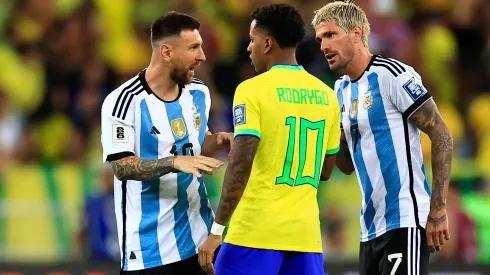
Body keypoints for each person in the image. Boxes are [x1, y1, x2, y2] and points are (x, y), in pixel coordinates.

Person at [311, 1, 453, 275]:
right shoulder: (340, 90)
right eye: (319, 39)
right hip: (369, 229)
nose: (323, 46)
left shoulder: (392, 75)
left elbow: (441, 134)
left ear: (355, 34)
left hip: (404, 219)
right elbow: (346, 165)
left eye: (330, 35)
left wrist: (438, 209)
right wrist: (334, 136)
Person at [198, 4, 340, 275]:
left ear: (267, 43)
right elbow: (324, 170)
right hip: (305, 237)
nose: (249, 48)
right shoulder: (327, 95)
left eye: (252, 40)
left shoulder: (252, 90)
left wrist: (217, 231)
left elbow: (241, 163)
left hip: (254, 233)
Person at [100, 12, 233, 275]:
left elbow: (194, 143)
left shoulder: (199, 92)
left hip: (201, 240)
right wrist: (174, 163)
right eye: (194, 47)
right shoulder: (124, 101)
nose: (202, 56)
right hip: (150, 249)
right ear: (166, 52)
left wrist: (216, 140)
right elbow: (122, 167)